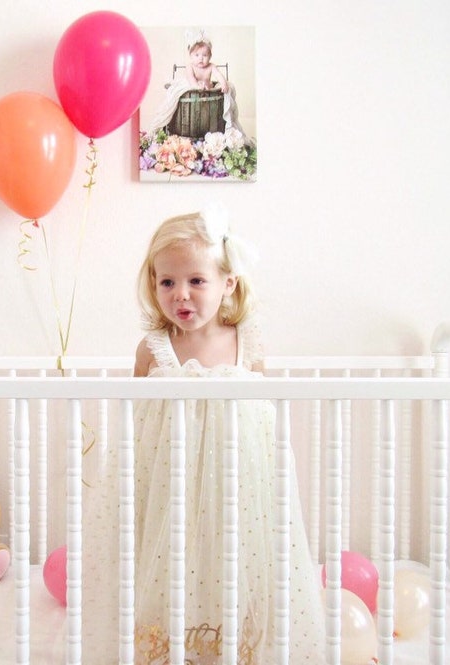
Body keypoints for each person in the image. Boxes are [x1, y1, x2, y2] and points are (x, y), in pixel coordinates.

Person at [126, 206, 324, 663]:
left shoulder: (246, 342)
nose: (181, 295)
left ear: (227, 283)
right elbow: (135, 421)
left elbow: (263, 418)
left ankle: (233, 643)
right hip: (169, 482)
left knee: (232, 558)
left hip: (237, 480)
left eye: (197, 280)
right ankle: (168, 644)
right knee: (171, 558)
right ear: (153, 285)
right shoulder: (153, 348)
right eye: (167, 282)